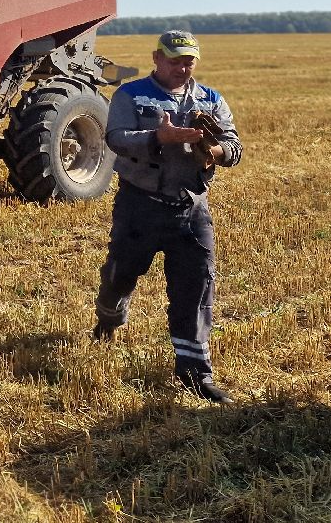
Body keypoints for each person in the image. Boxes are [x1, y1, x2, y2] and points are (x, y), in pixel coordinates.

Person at [93, 30, 243, 402]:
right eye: (175, 59)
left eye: (189, 60)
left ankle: (195, 372)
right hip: (139, 206)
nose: (182, 66)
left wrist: (217, 152)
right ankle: (109, 317)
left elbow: (235, 147)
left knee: (196, 287)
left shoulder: (211, 99)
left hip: (191, 208)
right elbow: (115, 138)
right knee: (119, 274)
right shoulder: (130, 95)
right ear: (156, 58)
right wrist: (160, 138)